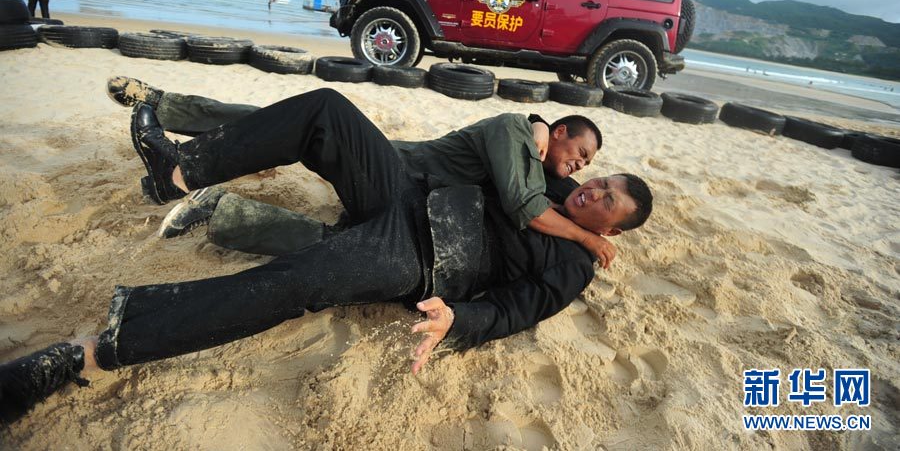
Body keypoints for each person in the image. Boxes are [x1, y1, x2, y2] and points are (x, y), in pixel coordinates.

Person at [0, 160, 652, 425]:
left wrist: (459, 317)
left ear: (613, 226)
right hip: (407, 193)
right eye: (600, 179)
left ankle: (94, 351)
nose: (593, 188)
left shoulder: (573, 266)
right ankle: (183, 161)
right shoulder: (542, 181)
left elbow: (516, 310)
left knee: (309, 277)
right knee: (328, 113)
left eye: (608, 199)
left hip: (421, 253)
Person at [108, 78, 615, 264]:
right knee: (294, 117)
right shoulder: (518, 133)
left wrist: (597, 225)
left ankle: (214, 202)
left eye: (587, 167)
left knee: (295, 125)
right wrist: (589, 239)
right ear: (563, 129)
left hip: (403, 205)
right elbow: (526, 205)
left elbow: (564, 196)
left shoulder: (542, 169)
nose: (579, 168)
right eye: (582, 153)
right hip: (391, 169)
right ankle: (169, 114)